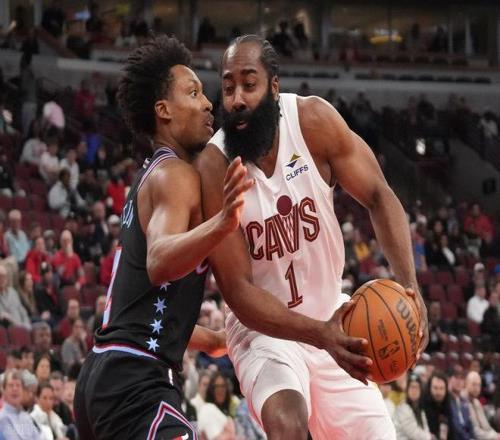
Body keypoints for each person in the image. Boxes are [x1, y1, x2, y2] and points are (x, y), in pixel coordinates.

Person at [197, 34, 427, 439]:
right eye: (228, 88)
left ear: (274, 86)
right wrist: (320, 336)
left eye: (249, 84)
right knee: (287, 423)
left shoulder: (313, 122)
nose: (236, 99)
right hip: (264, 333)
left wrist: (410, 287)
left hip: (332, 317)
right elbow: (238, 292)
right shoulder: (215, 166)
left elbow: (379, 195)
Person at [74, 35, 253, 440]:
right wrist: (223, 222)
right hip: (136, 380)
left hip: (106, 373)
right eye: (193, 93)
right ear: (163, 111)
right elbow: (159, 262)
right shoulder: (176, 175)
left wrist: (212, 340)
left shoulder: (151, 176)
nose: (208, 104)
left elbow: (142, 306)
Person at [0, 369, 42, 439]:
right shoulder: (2, 419)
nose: (15, 389)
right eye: (11, 385)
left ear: (23, 391)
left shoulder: (27, 417)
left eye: (18, 385)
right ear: (4, 391)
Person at [394, 375, 433, 440]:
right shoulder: (403, 408)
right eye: (412, 387)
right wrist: (430, 437)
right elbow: (414, 433)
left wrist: (429, 436)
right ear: (407, 390)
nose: (414, 390)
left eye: (417, 387)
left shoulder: (419, 408)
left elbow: (425, 429)